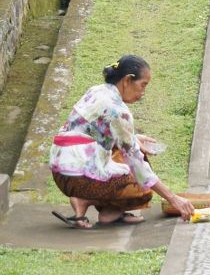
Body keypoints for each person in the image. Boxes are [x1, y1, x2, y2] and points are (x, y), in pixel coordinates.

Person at [49, 55, 196, 229]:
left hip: (60, 172)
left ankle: (99, 206)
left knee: (125, 154)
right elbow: (137, 163)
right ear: (127, 80)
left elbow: (92, 130)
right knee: (143, 189)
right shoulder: (119, 111)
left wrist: (133, 138)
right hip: (80, 177)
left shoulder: (96, 91)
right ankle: (94, 203)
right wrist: (173, 198)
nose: (142, 93)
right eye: (143, 85)